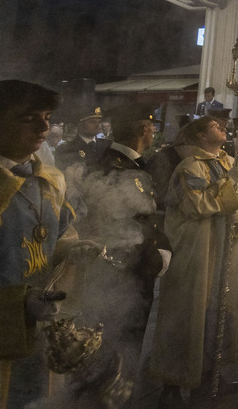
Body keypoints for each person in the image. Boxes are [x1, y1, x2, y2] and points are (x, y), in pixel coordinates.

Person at [0, 80, 102, 409]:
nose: (44, 127)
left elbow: (60, 240)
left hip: (41, 348)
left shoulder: (53, 182)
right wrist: (14, 308)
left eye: (47, 116)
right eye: (28, 118)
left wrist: (73, 253)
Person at [149, 115, 238, 405]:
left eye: (223, 125)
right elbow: (196, 204)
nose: (222, 127)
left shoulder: (230, 163)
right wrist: (228, 191)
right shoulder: (189, 166)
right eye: (214, 125)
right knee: (186, 315)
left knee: (219, 311)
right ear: (199, 136)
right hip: (196, 248)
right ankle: (172, 385)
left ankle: (210, 376)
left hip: (224, 248)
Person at [83, 104, 171, 370]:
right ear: (144, 128)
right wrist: (157, 252)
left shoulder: (125, 162)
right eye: (152, 126)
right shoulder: (117, 165)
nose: (154, 131)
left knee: (125, 341)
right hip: (124, 269)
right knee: (120, 341)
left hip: (130, 265)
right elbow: (129, 221)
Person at [56, 106, 110, 171]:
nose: (98, 125)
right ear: (80, 125)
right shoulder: (65, 148)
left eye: (100, 122)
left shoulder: (107, 145)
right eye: (93, 122)